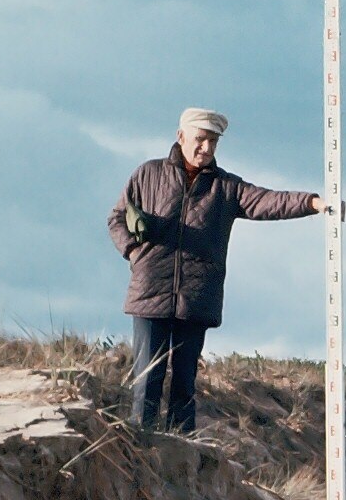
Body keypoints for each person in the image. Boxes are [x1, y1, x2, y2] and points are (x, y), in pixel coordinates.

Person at [108, 107, 328, 432]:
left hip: (196, 298)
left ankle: (183, 456)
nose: (206, 149)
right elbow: (117, 217)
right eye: (200, 139)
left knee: (184, 383)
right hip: (149, 291)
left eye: (213, 142)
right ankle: (142, 451)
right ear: (181, 136)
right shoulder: (148, 174)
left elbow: (267, 201)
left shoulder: (226, 188)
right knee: (147, 381)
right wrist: (133, 250)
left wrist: (311, 203)